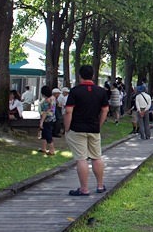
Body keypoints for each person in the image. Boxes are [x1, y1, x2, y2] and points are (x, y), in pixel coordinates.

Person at [64, 65, 109, 196]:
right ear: (93, 75)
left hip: (77, 128)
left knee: (81, 159)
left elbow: (68, 111)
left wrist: (67, 127)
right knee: (96, 157)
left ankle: (84, 188)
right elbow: (105, 110)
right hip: (94, 128)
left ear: (80, 76)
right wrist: (99, 124)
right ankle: (100, 186)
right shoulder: (101, 92)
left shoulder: (75, 91)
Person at [38, 86, 57, 156]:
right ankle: (43, 148)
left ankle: (52, 150)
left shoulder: (46, 100)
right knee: (44, 134)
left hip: (47, 119)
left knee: (48, 134)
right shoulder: (53, 98)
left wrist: (41, 122)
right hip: (52, 118)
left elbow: (45, 112)